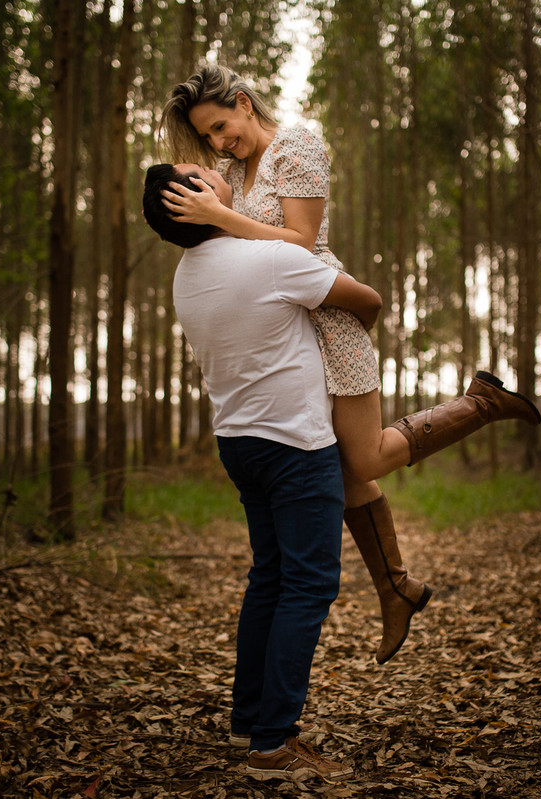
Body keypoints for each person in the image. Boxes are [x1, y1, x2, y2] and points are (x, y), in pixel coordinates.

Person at [158, 65, 541, 665]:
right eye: (208, 137)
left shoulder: (298, 145)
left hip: (327, 320)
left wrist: (220, 219)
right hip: (283, 335)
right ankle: (396, 589)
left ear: (243, 102)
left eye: (221, 127)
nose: (218, 144)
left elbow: (300, 239)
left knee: (363, 458)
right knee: (336, 469)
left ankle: (481, 403)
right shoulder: (228, 174)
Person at [143, 162, 372, 780]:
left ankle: (251, 718)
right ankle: (273, 743)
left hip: (238, 441)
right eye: (200, 172)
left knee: (270, 578)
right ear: (196, 200)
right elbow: (367, 299)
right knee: (309, 585)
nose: (215, 169)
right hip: (296, 442)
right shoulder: (268, 260)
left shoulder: (185, 278)